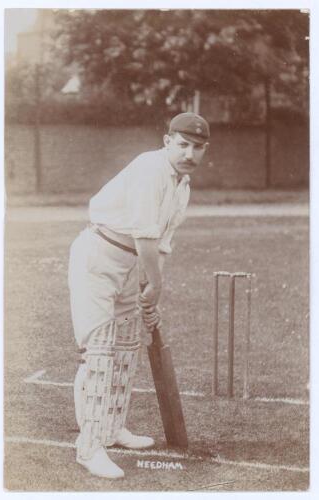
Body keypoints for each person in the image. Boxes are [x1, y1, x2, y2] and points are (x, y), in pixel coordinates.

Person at [68, 112, 210, 478]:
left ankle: (112, 429)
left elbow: (161, 244)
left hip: (131, 266)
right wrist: (156, 284)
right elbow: (144, 233)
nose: (189, 153)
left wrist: (149, 288)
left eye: (197, 148)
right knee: (100, 352)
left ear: (204, 151)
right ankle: (90, 448)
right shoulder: (151, 170)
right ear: (167, 143)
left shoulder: (182, 186)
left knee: (127, 348)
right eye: (182, 145)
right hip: (98, 259)